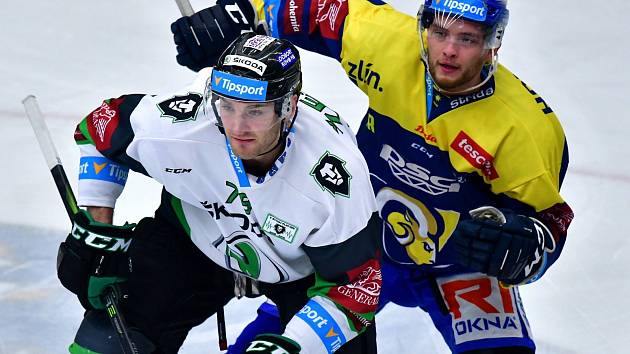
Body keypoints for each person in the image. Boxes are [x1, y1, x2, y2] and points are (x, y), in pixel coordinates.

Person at [170, 0, 575, 353]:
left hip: (458, 267)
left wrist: (526, 247)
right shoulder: (385, 42)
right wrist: (232, 16)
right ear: (423, 27)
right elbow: (304, 7)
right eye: (440, 32)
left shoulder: (525, 131)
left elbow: (549, 221)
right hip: (362, 251)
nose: (449, 50)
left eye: (467, 39)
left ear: (493, 42)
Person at [57, 32, 382, 354]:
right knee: (105, 345)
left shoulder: (334, 177)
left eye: (255, 111)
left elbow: (356, 288)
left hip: (306, 273)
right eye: (227, 106)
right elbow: (100, 127)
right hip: (194, 240)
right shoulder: (181, 125)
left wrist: (291, 346)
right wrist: (97, 227)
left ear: (289, 106)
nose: (237, 127)